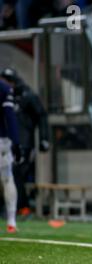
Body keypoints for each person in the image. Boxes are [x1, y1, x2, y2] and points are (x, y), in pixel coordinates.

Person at [0, 68, 50, 216]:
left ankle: (22, 208)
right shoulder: (6, 96)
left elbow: (41, 116)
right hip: (7, 142)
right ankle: (12, 208)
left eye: (6, 80)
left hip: (25, 144)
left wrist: (44, 138)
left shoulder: (27, 96)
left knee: (15, 173)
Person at [0, 78, 22, 233]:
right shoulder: (3, 88)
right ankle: (11, 221)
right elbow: (10, 116)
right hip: (1, 140)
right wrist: (16, 142)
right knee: (7, 178)